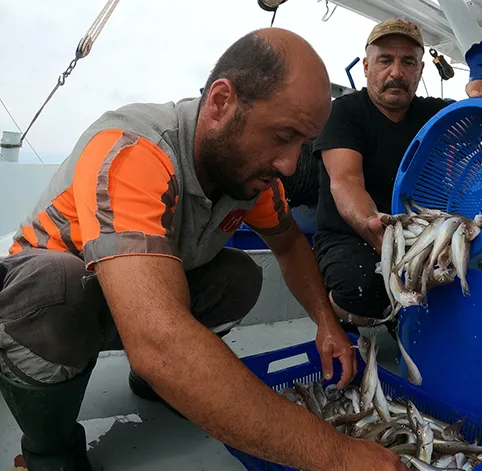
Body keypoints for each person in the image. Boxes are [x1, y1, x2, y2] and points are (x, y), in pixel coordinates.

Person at [0, 28, 407, 471]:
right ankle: (48, 448)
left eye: (301, 145)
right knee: (54, 290)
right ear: (220, 102)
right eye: (282, 136)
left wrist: (326, 323)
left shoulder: (252, 178)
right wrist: (338, 455)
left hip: (144, 300)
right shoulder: (135, 152)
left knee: (239, 276)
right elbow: (160, 343)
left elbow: (289, 244)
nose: (290, 165)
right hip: (47, 308)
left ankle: (154, 385)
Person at [312, 19, 482, 328]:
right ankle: (342, 312)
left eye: (408, 62)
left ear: (420, 70)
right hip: (349, 234)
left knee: (469, 279)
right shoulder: (345, 112)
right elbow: (345, 181)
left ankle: (405, 312)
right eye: (385, 60)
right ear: (366, 66)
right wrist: (373, 225)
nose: (397, 72)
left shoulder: (435, 115)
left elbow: (477, 124)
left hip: (417, 231)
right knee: (362, 289)